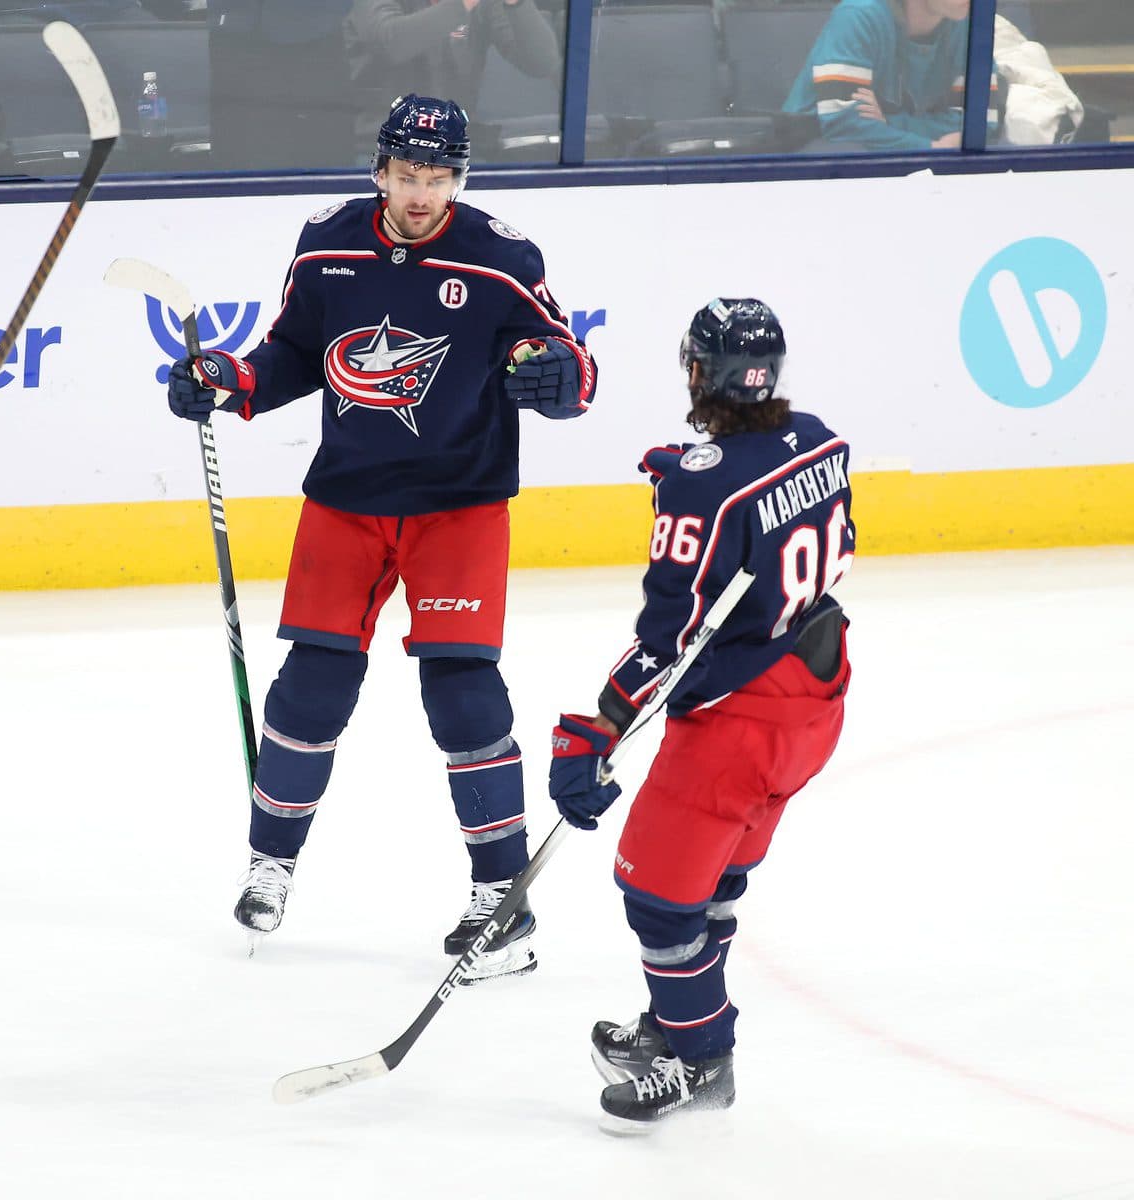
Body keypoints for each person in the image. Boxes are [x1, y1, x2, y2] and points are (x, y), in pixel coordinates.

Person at [166, 93, 599, 980]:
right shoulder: (325, 243)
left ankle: (499, 898)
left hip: (459, 506)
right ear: (380, 170)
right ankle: (271, 865)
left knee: (462, 695)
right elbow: (290, 353)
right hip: (347, 503)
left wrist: (560, 377)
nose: (422, 194)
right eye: (408, 176)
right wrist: (230, 380)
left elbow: (570, 362)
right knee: (309, 692)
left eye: (439, 178)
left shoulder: (501, 256)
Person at [546, 299, 854, 1132]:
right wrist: (698, 475)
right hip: (812, 701)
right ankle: (673, 1024)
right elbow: (832, 538)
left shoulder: (701, 486)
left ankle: (698, 1058)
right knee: (715, 878)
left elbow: (667, 638)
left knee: (656, 897)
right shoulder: (822, 438)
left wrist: (596, 726)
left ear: (696, 370)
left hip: (738, 722)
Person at [346, 0, 560, 157]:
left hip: (456, 149)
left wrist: (517, 4)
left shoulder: (483, 7)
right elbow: (392, 42)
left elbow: (541, 63)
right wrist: (462, 5)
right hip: (386, 150)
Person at [785, 0, 997, 152]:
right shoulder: (858, 13)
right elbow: (843, 125)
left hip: (901, 151)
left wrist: (889, 122)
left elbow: (982, 122)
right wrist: (931, 147)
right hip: (813, 151)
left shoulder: (971, 21)